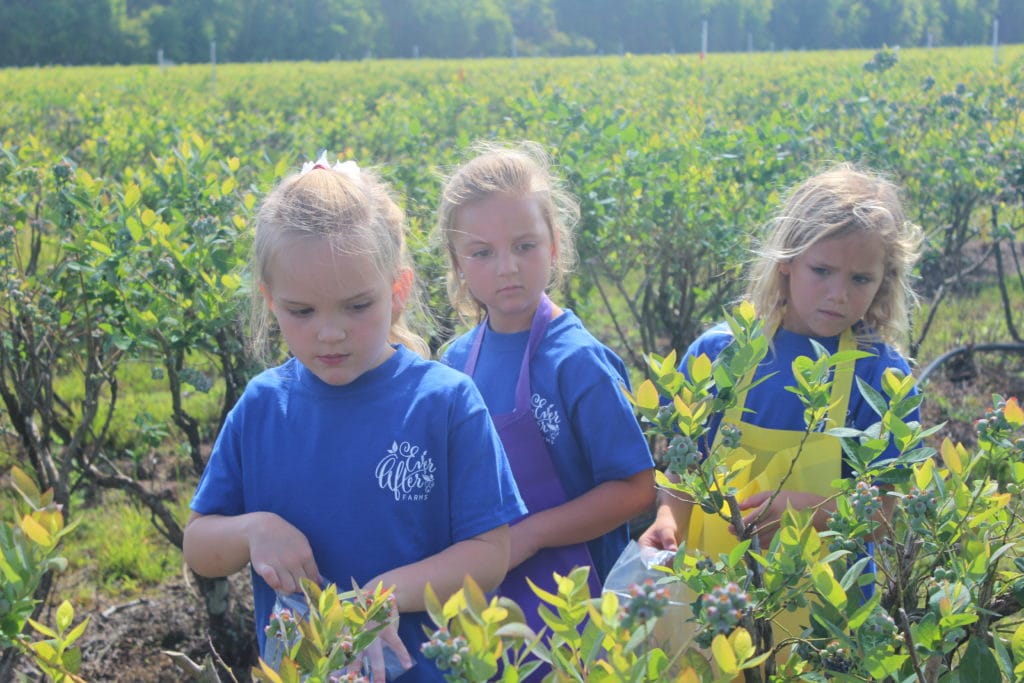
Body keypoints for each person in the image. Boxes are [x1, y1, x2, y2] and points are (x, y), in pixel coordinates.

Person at [183, 153, 526, 682]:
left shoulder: (444, 403)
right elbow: (200, 546)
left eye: (356, 306)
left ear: (398, 290)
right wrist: (255, 531)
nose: (330, 332)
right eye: (302, 312)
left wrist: (380, 598)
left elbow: (488, 553)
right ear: (270, 301)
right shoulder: (262, 407)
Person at [639, 161, 922, 561]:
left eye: (860, 279)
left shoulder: (881, 376)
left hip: (828, 608)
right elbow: (685, 467)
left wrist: (803, 512)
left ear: (884, 281)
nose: (838, 294)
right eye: (821, 271)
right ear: (786, 261)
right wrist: (667, 519)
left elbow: (882, 515)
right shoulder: (720, 353)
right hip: (714, 591)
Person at [435, 141, 656, 637]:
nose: (507, 267)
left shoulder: (577, 362)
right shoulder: (453, 364)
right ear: (458, 262)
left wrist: (530, 536)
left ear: (554, 245)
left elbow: (635, 489)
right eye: (482, 253)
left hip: (582, 608)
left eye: (524, 245)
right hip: (489, 607)